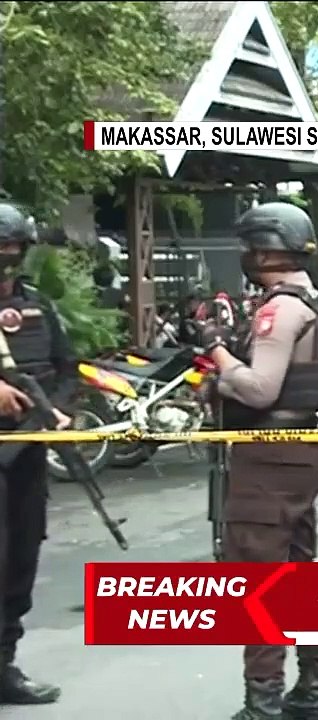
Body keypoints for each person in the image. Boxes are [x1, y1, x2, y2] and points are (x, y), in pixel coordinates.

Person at [199, 202, 318, 720]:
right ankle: (315, 690)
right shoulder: (310, 301)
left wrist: (216, 350)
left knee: (260, 580)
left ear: (262, 250)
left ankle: (263, 705)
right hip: (297, 455)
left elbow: (261, 389)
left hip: (268, 458)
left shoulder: (277, 310)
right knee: (299, 574)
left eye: (247, 248)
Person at [0, 204, 69, 707]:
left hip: (26, 455)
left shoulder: (38, 306)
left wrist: (57, 411)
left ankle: (3, 667)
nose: (6, 263)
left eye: (12, 253)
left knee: (19, 562)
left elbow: (68, 368)